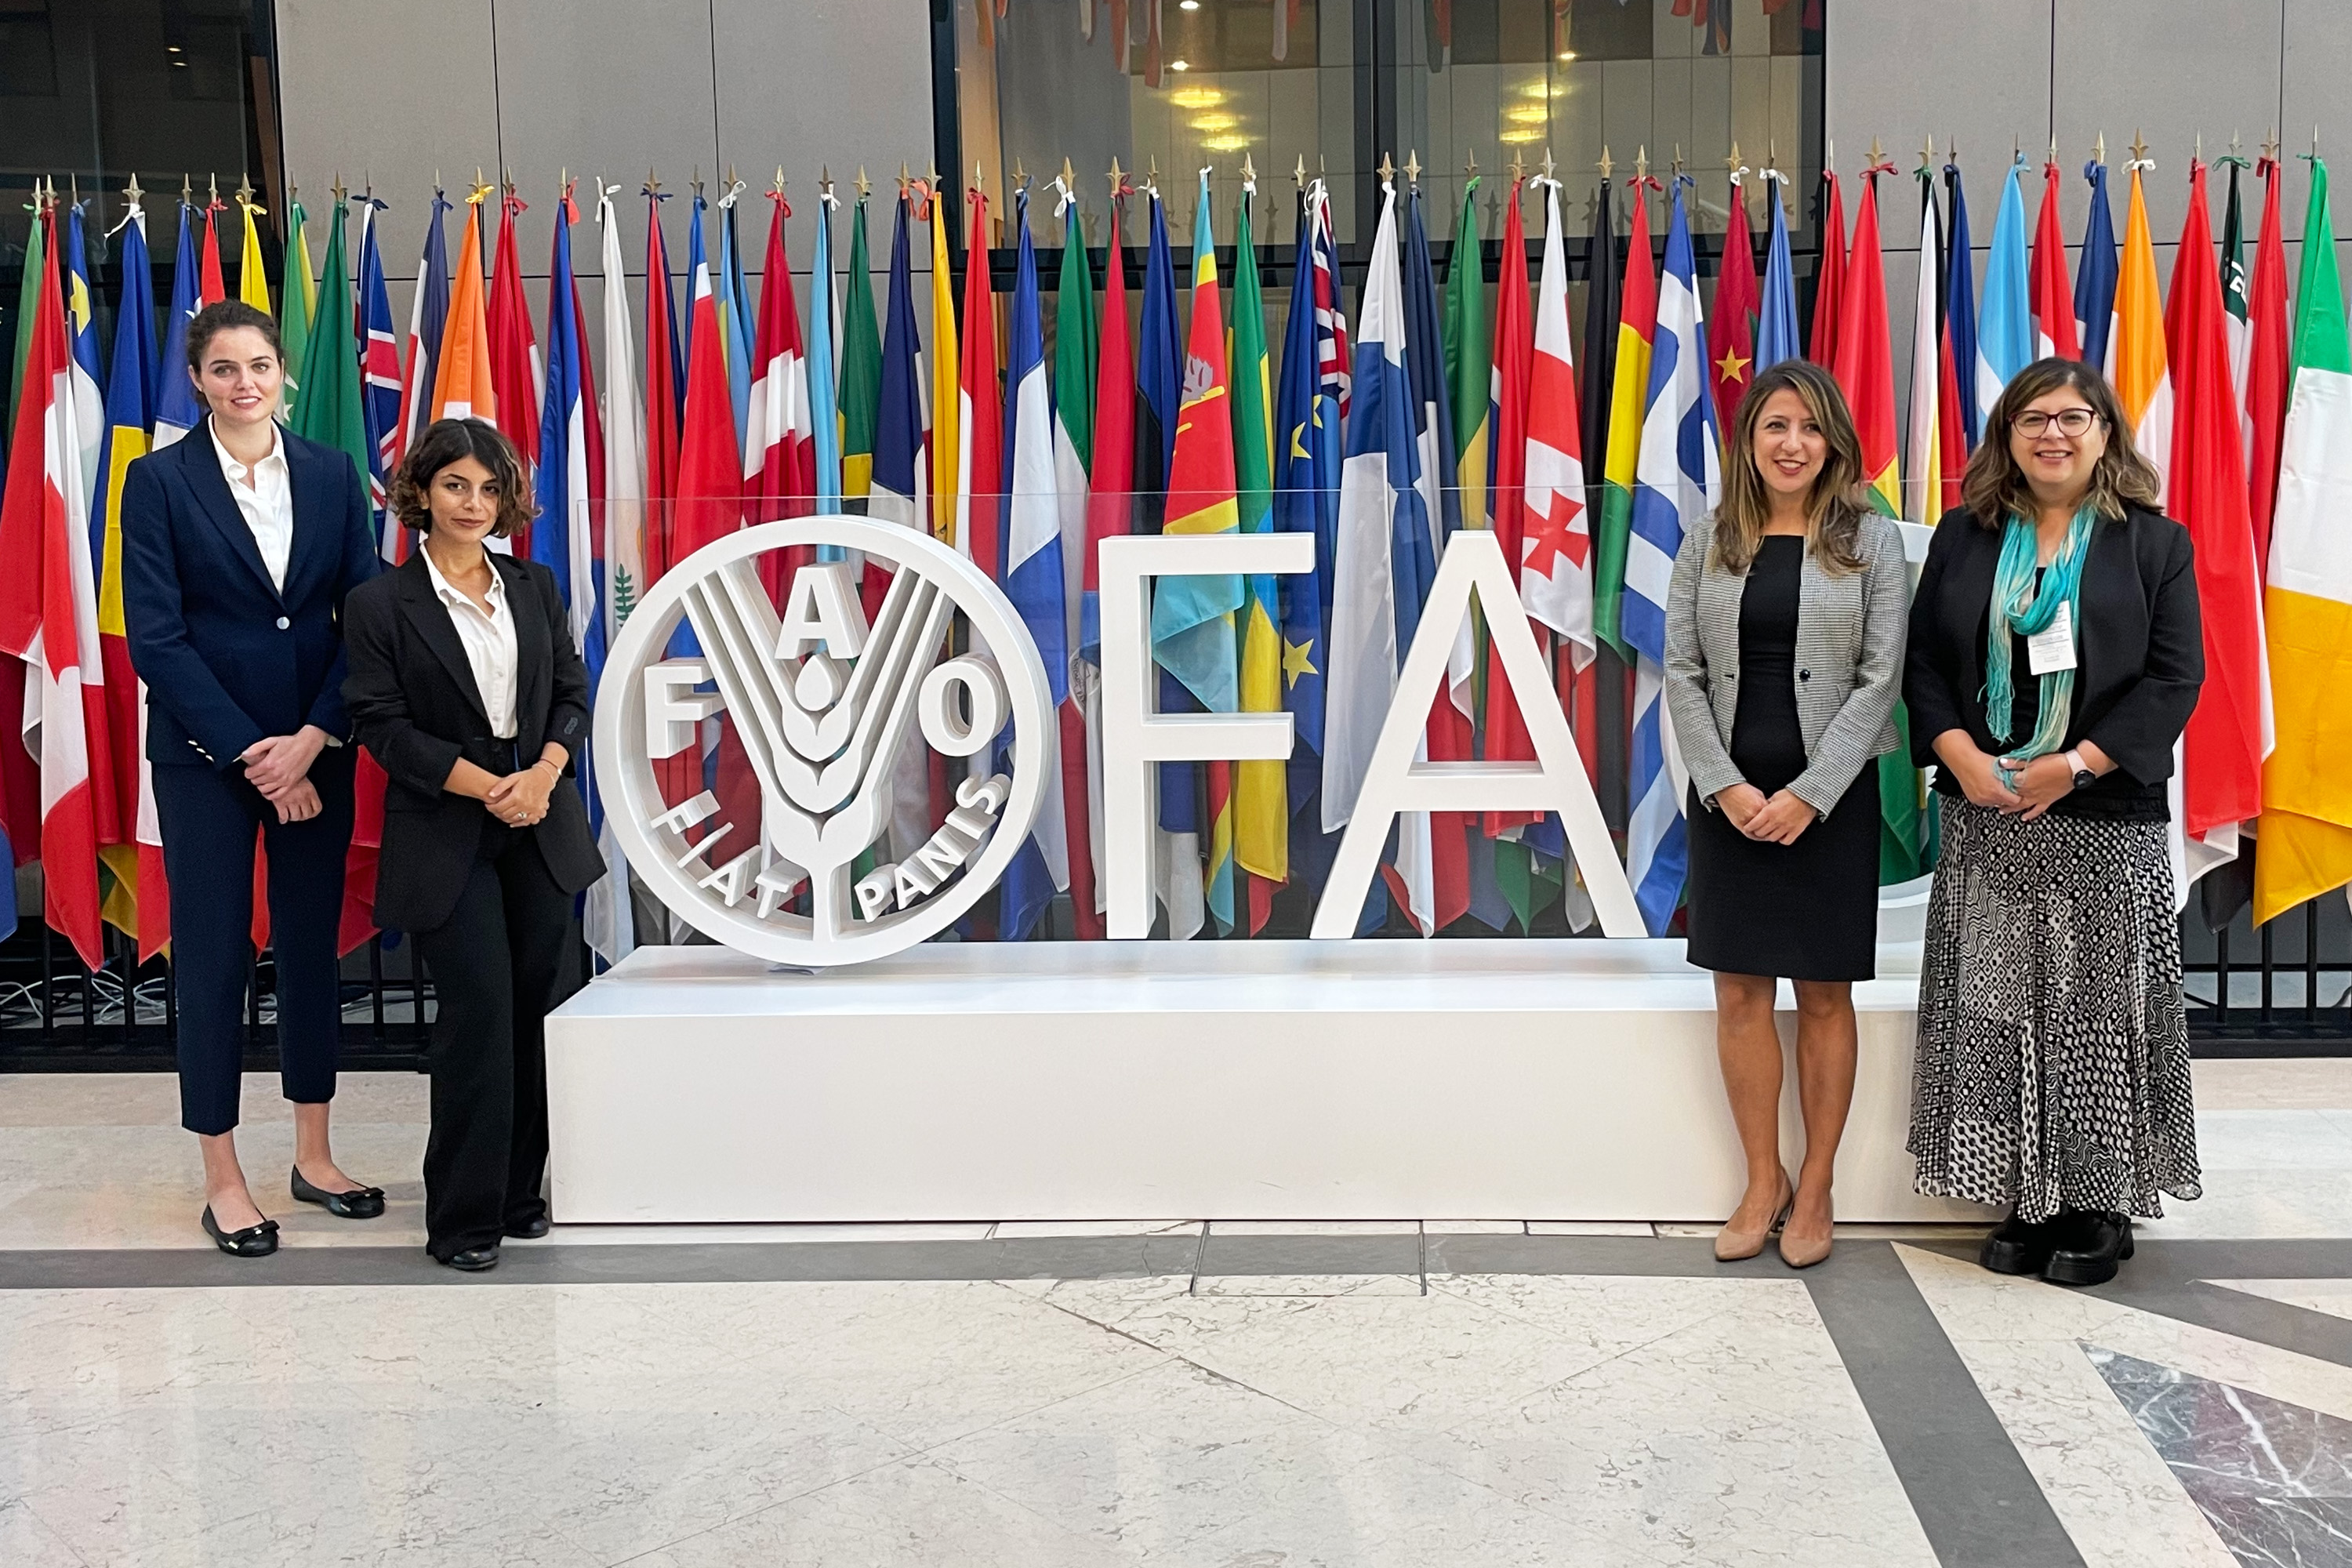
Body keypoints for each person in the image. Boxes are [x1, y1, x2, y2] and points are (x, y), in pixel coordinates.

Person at [1906, 358, 2204, 1288]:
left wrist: (2071, 765)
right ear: (2008, 437)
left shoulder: (2154, 544)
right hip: (1987, 809)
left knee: (2095, 1011)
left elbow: (2174, 677)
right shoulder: (1965, 535)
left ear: (2106, 432)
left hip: (2102, 812)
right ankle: (2026, 1194)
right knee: (2000, 1010)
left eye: (2074, 417)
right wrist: (1959, 756)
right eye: (2034, 419)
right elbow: (1921, 664)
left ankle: (2098, 1202)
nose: (2054, 434)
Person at [122, 299, 386, 1258]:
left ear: (284, 374)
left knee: (313, 951)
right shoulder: (155, 483)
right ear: (198, 379)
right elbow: (157, 638)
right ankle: (223, 1175)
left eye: (260, 366)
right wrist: (254, 754)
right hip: (207, 759)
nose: (245, 384)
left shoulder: (330, 473)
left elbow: (363, 618)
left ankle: (315, 1156)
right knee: (215, 959)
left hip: (317, 749)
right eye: (224, 368)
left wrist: (314, 735)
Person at [342, 418, 604, 1272]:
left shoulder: (534, 584)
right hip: (450, 823)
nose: (475, 503)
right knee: (479, 1017)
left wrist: (546, 770)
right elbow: (381, 726)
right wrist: (486, 784)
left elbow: (572, 690)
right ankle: (462, 1218)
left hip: (539, 816)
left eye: (490, 488)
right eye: (457, 485)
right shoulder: (381, 602)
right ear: (421, 491)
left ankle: (522, 1194)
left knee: (538, 1009)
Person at [1665, 361, 1910, 1270]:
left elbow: (1881, 679)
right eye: (1775, 426)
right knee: (1738, 993)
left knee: (1823, 994)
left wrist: (1810, 794)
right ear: (1749, 441)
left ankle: (1817, 1186)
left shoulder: (1870, 541)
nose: (1792, 443)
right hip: (1729, 797)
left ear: (1833, 440)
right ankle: (1761, 1178)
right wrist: (1725, 785)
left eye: (1809, 427)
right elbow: (1682, 673)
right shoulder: (1709, 539)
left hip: (1829, 801)